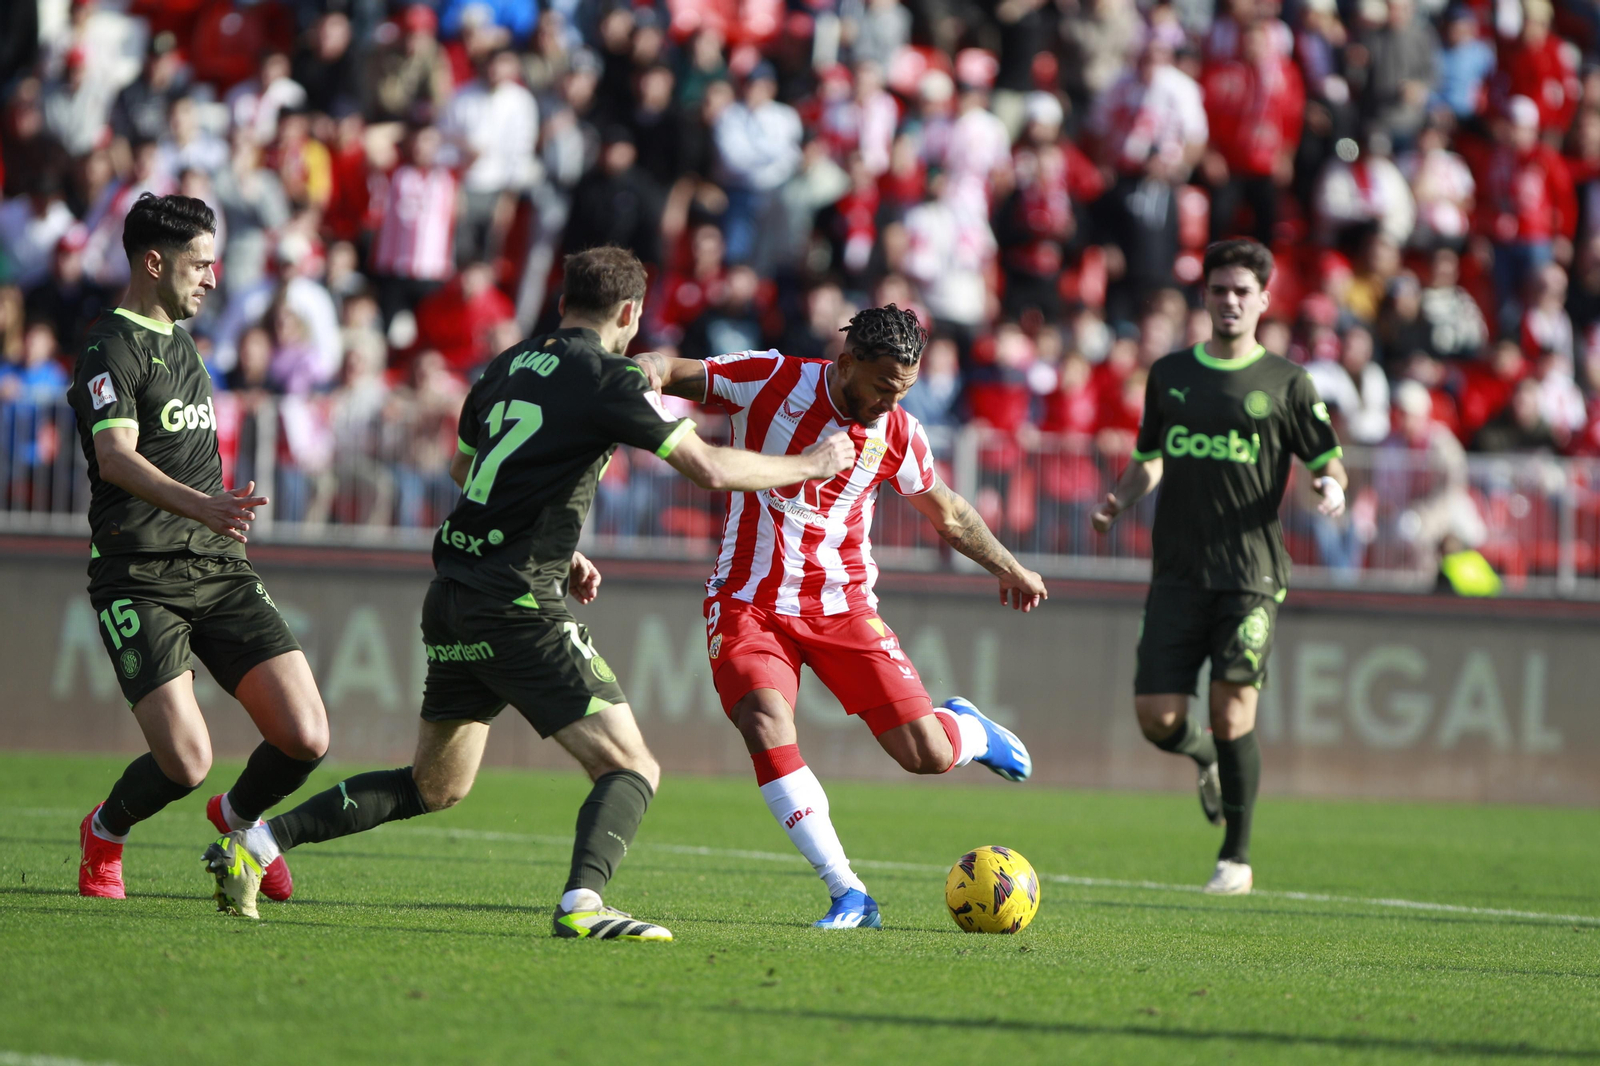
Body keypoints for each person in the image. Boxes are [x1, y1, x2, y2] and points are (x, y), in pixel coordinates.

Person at [202, 247, 854, 939]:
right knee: (630, 766)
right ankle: (583, 904)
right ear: (630, 313)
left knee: (434, 785)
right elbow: (710, 469)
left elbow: (466, 467)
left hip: (454, 592)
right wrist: (810, 463)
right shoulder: (608, 377)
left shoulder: (506, 365)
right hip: (515, 601)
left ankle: (256, 845)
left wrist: (558, 544)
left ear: (564, 302)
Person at [635, 306, 1049, 930]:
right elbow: (667, 369)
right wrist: (643, 370)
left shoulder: (899, 432)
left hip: (843, 606)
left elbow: (949, 513)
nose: (891, 402)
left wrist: (1008, 566)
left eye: (903, 390)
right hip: (748, 599)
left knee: (926, 755)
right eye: (883, 386)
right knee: (763, 718)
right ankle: (849, 892)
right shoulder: (769, 378)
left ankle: (970, 731)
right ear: (847, 362)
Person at [69, 194, 330, 903]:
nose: (213, 279)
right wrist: (204, 506)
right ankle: (105, 832)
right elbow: (115, 458)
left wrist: (210, 520)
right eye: (200, 264)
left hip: (217, 568)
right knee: (186, 762)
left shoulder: (185, 344)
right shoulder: (108, 347)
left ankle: (239, 820)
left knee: (306, 735)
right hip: (138, 574)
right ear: (155, 263)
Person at [1089, 239, 1348, 896]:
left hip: (1250, 575)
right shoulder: (1170, 374)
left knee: (1233, 711)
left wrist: (1331, 487)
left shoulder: (1288, 383)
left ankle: (1236, 855)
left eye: (1242, 291)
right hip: (1177, 572)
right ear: (1204, 297)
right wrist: (1119, 499)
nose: (1230, 301)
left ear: (1263, 300)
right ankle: (1201, 755)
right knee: (1157, 719)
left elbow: (1327, 459)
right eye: (1220, 290)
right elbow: (1150, 457)